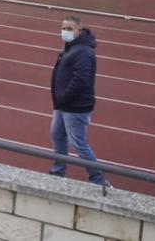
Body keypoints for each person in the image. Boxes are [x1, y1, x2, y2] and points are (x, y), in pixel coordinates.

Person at [50, 16, 109, 186]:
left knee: (78, 142)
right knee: (58, 136)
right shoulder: (71, 47)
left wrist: (64, 96)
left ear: (79, 30)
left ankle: (98, 179)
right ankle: (57, 173)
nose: (65, 32)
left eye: (69, 29)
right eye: (63, 28)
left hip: (75, 107)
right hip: (62, 105)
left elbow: (81, 80)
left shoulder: (82, 51)